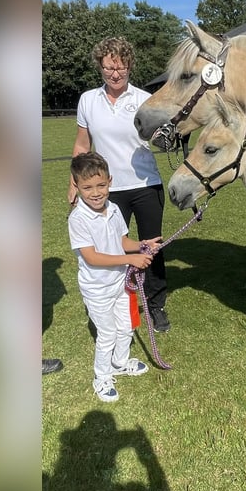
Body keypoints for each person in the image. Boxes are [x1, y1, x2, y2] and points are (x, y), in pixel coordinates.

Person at [68, 36, 171, 333]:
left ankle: (155, 305)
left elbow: (158, 137)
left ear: (129, 67)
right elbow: (81, 144)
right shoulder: (88, 100)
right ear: (100, 66)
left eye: (121, 69)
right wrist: (74, 183)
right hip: (106, 190)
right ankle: (108, 306)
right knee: (110, 248)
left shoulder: (142, 99)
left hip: (145, 185)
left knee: (152, 248)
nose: (115, 74)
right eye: (109, 68)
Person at [68, 152, 162, 402]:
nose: (96, 192)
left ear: (110, 181)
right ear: (76, 186)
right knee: (107, 333)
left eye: (101, 185)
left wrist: (141, 245)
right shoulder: (78, 219)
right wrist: (130, 259)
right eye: (87, 187)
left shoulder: (114, 209)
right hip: (97, 289)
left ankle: (120, 363)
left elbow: (121, 241)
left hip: (120, 283)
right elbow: (92, 257)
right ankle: (101, 376)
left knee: (126, 326)